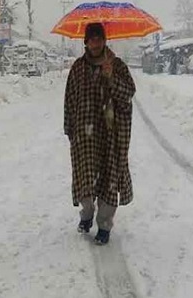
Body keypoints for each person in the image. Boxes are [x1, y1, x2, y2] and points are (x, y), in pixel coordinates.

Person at [64, 22, 136, 245]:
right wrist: (69, 128)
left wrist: (110, 77)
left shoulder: (117, 65)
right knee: (84, 177)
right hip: (84, 136)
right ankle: (86, 216)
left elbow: (129, 93)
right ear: (86, 41)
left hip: (110, 135)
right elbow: (69, 99)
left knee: (108, 178)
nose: (95, 42)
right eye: (91, 38)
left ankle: (104, 225)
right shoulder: (78, 67)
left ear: (105, 40)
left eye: (99, 38)